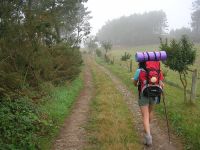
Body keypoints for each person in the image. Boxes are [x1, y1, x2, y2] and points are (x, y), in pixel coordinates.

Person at [132, 62, 164, 146]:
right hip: (154, 94)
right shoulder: (158, 71)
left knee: (145, 115)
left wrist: (134, 81)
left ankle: (148, 136)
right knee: (150, 112)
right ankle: (148, 128)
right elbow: (161, 84)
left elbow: (135, 84)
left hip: (144, 94)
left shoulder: (139, 70)